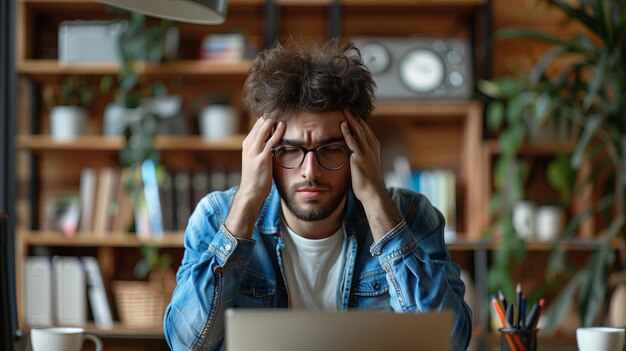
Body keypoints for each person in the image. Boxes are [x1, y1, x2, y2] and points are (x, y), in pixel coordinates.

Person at [164, 37, 472, 350]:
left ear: (360, 149)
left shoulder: (412, 215)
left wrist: (377, 201)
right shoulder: (216, 216)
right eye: (291, 150)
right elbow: (187, 344)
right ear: (263, 152)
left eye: (331, 149)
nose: (310, 171)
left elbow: (448, 344)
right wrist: (246, 202)